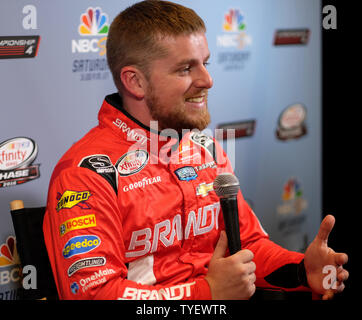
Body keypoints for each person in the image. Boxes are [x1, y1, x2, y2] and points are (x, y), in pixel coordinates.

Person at [43, 0, 348, 300]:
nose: (207, 80)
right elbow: (94, 294)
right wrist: (208, 293)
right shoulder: (86, 174)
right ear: (135, 81)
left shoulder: (206, 150)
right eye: (186, 69)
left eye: (206, 62)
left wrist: (300, 270)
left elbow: (247, 245)